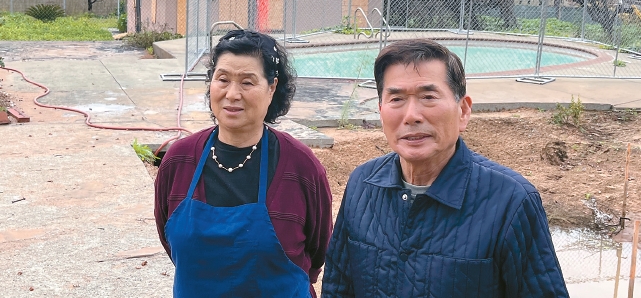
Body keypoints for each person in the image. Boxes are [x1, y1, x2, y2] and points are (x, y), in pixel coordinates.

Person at [322, 39, 569, 298]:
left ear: (463, 111)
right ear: (381, 110)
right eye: (396, 99)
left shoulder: (510, 201)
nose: (412, 115)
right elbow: (338, 285)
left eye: (428, 97)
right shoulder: (363, 184)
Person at [154, 30, 332, 297]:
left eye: (247, 82)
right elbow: (170, 241)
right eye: (222, 79)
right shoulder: (179, 160)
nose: (232, 94)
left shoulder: (301, 166)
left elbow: (318, 252)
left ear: (272, 88)